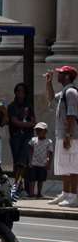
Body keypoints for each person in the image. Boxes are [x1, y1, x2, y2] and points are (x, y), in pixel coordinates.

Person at [45, 66, 78, 206]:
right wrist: (48, 83)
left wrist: (68, 135)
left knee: (73, 166)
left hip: (71, 136)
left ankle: (74, 195)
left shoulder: (71, 92)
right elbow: (51, 100)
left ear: (67, 76)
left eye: (60, 73)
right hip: (63, 135)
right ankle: (65, 193)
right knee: (64, 166)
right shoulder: (64, 92)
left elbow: (71, 115)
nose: (58, 74)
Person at [6, 82, 35, 197]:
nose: (20, 93)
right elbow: (14, 122)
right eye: (18, 91)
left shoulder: (29, 106)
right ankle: (17, 186)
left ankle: (19, 186)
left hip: (27, 137)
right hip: (16, 137)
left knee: (23, 162)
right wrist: (26, 124)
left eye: (22, 91)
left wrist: (25, 124)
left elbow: (33, 122)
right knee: (17, 162)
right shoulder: (12, 106)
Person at [27, 122, 53, 199]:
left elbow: (50, 153)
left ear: (45, 131)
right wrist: (30, 160)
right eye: (37, 130)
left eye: (40, 130)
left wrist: (48, 163)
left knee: (40, 179)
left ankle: (39, 193)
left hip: (43, 164)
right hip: (34, 163)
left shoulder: (49, 142)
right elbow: (30, 150)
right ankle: (31, 193)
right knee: (32, 179)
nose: (38, 132)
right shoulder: (33, 140)